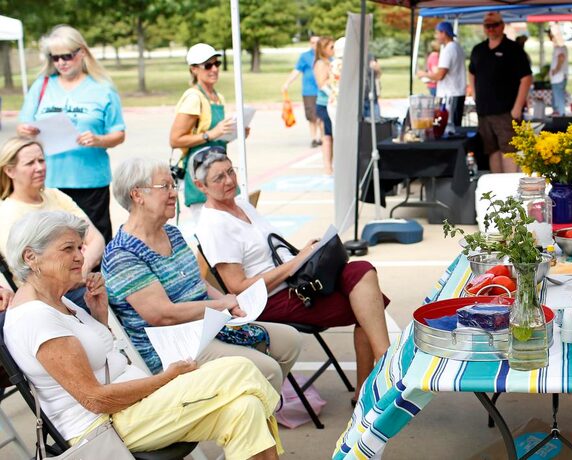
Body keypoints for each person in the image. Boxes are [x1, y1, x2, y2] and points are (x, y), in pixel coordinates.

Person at [4, 211, 283, 459]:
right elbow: (95, 399)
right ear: (31, 257)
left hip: (134, 408)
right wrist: (166, 378)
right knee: (240, 369)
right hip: (105, 425)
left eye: (79, 247)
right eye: (68, 249)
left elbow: (100, 357)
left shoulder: (60, 300)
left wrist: (99, 314)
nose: (80, 256)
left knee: (246, 409)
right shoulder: (35, 317)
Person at [191, 150, 391, 403]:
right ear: (201, 186)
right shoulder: (213, 225)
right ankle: (378, 374)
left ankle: (371, 379)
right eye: (218, 177)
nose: (229, 181)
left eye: (231, 171)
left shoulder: (241, 204)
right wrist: (296, 262)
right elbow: (238, 287)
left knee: (361, 271)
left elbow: (269, 251)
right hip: (270, 299)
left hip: (297, 281)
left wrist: (303, 253)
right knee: (366, 305)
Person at [101, 158, 302, 396]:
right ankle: (245, 417)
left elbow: (198, 283)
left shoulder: (172, 233)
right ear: (137, 195)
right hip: (173, 347)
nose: (174, 193)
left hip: (204, 328)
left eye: (173, 186)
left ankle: (249, 410)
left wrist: (232, 304)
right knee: (266, 370)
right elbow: (162, 315)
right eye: (165, 186)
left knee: (290, 340)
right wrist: (221, 305)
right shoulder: (123, 254)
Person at [16, 25, 125, 242]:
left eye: (67, 56)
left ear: (82, 53)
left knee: (94, 243)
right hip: (50, 180)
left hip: (90, 182)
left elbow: (119, 134)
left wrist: (98, 140)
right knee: (54, 243)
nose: (61, 63)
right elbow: (23, 125)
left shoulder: (103, 88)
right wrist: (26, 130)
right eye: (55, 58)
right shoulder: (42, 85)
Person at [0, 136, 104, 309]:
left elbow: (97, 240)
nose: (39, 168)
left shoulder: (55, 195)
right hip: (48, 299)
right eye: (30, 163)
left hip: (80, 284)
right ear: (10, 171)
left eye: (41, 160)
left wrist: (80, 271)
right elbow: (29, 268)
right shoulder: (6, 214)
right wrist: (78, 259)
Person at [169, 43, 242, 219]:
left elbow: (216, 138)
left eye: (216, 64)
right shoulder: (194, 97)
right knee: (208, 236)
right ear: (194, 69)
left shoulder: (218, 97)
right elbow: (175, 139)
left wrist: (233, 133)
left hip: (220, 171)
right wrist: (211, 134)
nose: (214, 69)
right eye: (207, 65)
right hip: (201, 174)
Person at [469, 12, 532, 173]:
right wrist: (475, 94)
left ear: (502, 25)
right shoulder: (478, 49)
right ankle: (497, 193)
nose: (491, 29)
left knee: (509, 152)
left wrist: (517, 107)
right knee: (492, 151)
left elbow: (526, 78)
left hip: (506, 112)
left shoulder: (513, 49)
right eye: (487, 26)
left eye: (494, 25)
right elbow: (472, 72)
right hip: (484, 112)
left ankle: (510, 192)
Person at [418, 21, 466, 129]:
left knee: (450, 127)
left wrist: (424, 74)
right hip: (457, 93)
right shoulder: (457, 47)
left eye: (437, 33)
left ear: (443, 33)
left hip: (450, 95)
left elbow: (440, 75)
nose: (436, 37)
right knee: (455, 126)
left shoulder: (448, 50)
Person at [282, 36, 323, 148]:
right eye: (312, 42)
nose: (315, 44)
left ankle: (321, 137)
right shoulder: (305, 56)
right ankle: (314, 138)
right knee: (311, 116)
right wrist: (287, 83)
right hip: (309, 91)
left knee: (321, 116)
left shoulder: (324, 55)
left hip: (322, 90)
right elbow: (297, 71)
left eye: (317, 42)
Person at [314, 37, 336, 176]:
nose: (333, 50)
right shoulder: (321, 64)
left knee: (333, 136)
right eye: (331, 47)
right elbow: (322, 84)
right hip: (324, 104)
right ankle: (327, 167)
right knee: (327, 136)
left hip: (333, 103)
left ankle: (332, 164)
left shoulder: (332, 62)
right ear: (323, 49)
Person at [547, 26, 569, 115]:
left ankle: (561, 115)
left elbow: (561, 58)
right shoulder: (559, 47)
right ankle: (558, 113)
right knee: (556, 98)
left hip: (558, 77)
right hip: (558, 77)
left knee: (559, 98)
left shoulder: (560, 47)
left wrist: (556, 70)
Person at [363, 53, 382, 121]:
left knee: (376, 121)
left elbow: (378, 72)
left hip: (372, 97)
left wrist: (375, 67)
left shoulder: (370, 56)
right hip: (361, 99)